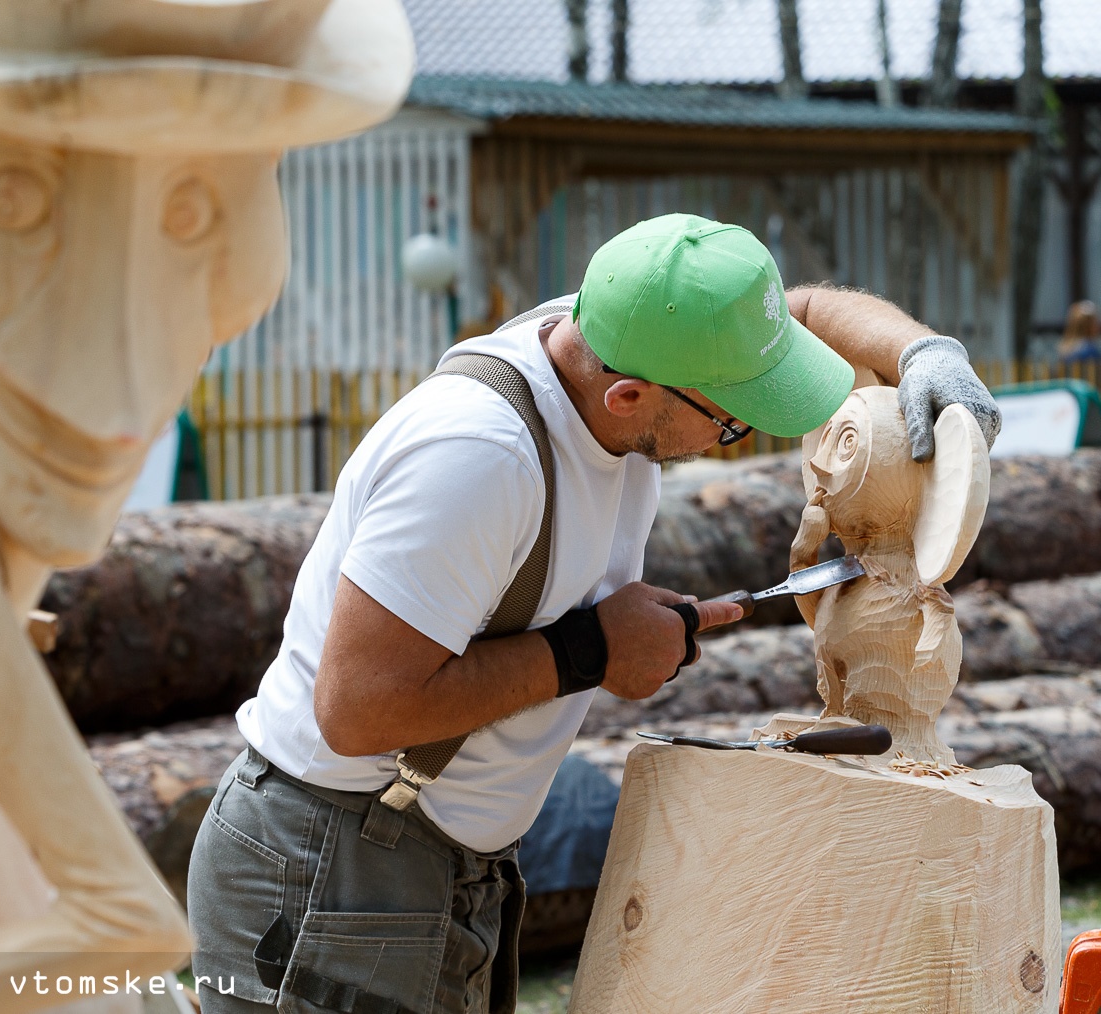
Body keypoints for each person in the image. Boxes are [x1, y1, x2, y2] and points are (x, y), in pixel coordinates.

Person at [185, 214, 1002, 1014]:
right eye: (726, 422)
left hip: (430, 858)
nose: (742, 431)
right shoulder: (477, 458)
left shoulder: (623, 325)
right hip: (334, 872)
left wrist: (921, 351)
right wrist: (588, 653)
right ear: (627, 395)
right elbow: (357, 710)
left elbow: (811, 311)